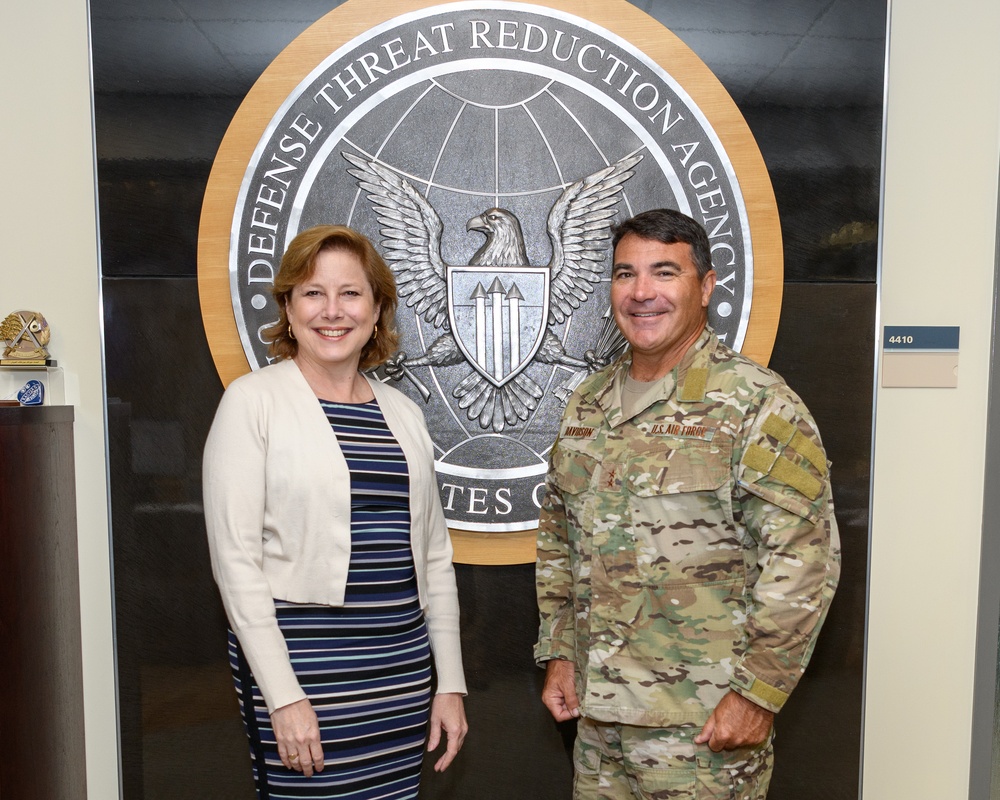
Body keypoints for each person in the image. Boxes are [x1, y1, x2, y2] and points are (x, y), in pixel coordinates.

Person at [535, 208, 840, 799]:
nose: (642, 292)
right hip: (601, 727)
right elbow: (560, 542)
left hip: (702, 730)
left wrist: (758, 693)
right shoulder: (588, 405)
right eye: (626, 274)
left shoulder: (755, 404)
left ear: (705, 287)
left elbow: (804, 561)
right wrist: (561, 652)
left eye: (664, 273)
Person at [204, 225, 467, 798]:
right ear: (289, 307)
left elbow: (434, 559)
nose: (332, 311)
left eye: (351, 293)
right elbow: (236, 564)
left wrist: (448, 682)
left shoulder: (404, 414)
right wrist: (283, 695)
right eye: (312, 292)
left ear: (377, 311)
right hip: (306, 669)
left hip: (400, 671)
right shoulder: (252, 403)